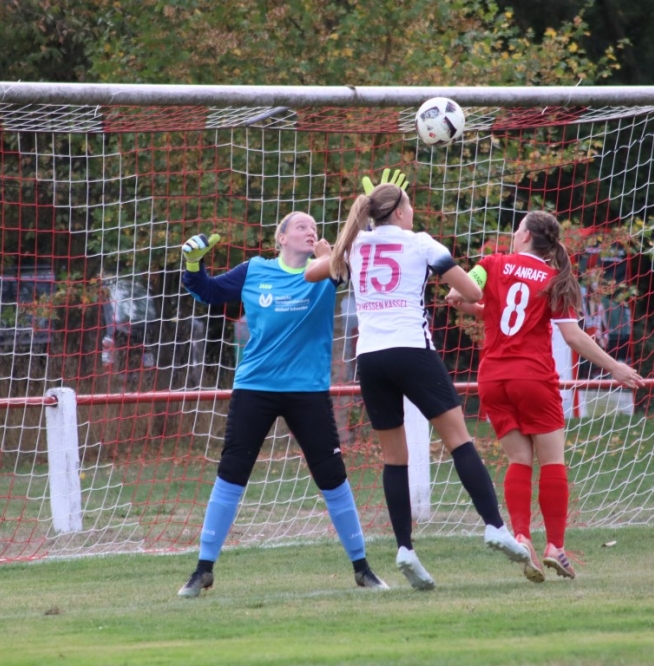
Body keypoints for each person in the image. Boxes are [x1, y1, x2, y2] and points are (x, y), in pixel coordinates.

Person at [306, 176, 531, 591]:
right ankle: (495, 526)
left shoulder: (355, 245)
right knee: (459, 440)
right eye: (409, 207)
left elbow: (311, 274)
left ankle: (405, 549)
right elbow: (469, 290)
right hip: (412, 350)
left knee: (395, 458)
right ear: (399, 212)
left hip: (371, 359)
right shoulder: (421, 242)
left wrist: (326, 254)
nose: (413, 213)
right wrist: (465, 292)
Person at [176, 211, 388, 597]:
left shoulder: (328, 269)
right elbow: (206, 291)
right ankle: (202, 570)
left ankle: (362, 568)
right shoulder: (254, 270)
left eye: (314, 227)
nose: (310, 230)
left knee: (332, 476)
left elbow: (363, 260)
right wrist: (193, 263)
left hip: (307, 391)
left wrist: (375, 218)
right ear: (282, 238)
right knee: (232, 471)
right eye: (301, 226)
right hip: (255, 387)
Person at [447, 211, 644, 582]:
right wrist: (614, 366)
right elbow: (573, 336)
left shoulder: (491, 264)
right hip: (533, 377)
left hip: (493, 379)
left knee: (518, 460)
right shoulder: (554, 279)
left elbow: (462, 293)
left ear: (525, 236)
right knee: (552, 461)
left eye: (517, 228)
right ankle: (555, 546)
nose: (513, 233)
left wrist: (463, 300)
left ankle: (522, 537)